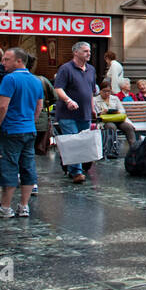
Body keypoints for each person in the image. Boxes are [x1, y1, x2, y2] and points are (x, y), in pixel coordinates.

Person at [0, 48, 44, 218]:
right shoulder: (36, 80)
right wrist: (31, 121)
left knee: (8, 166)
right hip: (28, 129)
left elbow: (2, 105)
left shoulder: (9, 79)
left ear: (19, 61)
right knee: (28, 166)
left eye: (6, 59)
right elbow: (39, 106)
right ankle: (24, 206)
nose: (3, 63)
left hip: (10, 129)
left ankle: (5, 207)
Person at [53, 41, 98, 184]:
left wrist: (92, 108)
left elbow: (90, 91)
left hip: (84, 113)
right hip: (68, 113)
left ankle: (74, 166)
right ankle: (76, 172)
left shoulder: (91, 69)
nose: (88, 53)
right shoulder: (66, 69)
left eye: (89, 51)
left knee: (83, 141)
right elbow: (58, 88)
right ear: (76, 52)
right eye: (85, 51)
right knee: (73, 140)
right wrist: (68, 101)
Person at [95, 84, 139, 152]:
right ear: (100, 91)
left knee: (128, 127)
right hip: (105, 121)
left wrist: (115, 111)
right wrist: (102, 112)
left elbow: (122, 110)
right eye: (104, 91)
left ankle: (134, 149)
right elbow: (96, 113)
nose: (107, 93)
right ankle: (112, 150)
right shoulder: (95, 100)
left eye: (109, 91)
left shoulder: (114, 98)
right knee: (111, 127)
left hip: (118, 119)